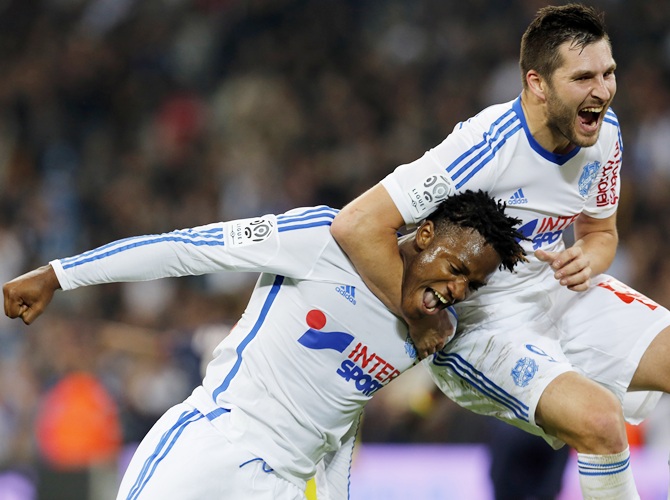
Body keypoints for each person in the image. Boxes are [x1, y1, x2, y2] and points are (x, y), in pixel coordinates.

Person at [330, 4, 670, 499]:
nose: (602, 90)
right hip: (484, 323)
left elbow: (601, 232)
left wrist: (589, 259)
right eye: (583, 78)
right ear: (537, 83)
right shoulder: (483, 148)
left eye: (608, 72)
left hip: (558, 290)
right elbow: (358, 224)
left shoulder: (605, 134)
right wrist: (423, 320)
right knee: (600, 422)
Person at [3, 191, 526, 499]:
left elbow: (342, 416)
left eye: (471, 285)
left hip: (280, 487)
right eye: (456, 269)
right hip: (212, 448)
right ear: (426, 233)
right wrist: (61, 274)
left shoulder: (428, 331)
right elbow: (187, 250)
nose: (457, 289)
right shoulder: (324, 238)